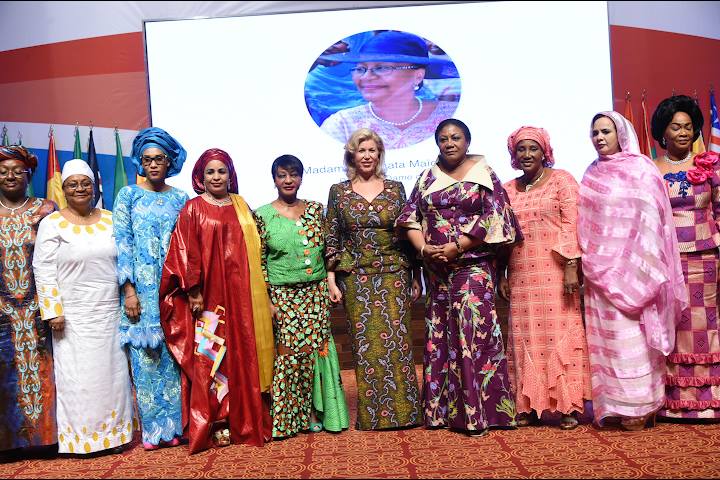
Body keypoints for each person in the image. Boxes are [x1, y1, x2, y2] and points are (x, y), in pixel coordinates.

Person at [395, 118, 522, 436]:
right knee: (442, 337)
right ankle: (442, 413)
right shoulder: (427, 177)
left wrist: (458, 246)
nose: (449, 143)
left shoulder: (485, 174)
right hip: (437, 270)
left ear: (467, 141)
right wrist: (424, 249)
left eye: (456, 137)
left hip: (473, 265)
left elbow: (494, 217)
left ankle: (480, 413)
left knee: (472, 335)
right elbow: (411, 216)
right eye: (443, 139)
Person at [577, 111, 687, 431]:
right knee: (609, 344)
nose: (599, 138)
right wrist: (598, 260)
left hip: (637, 270)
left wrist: (635, 264)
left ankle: (640, 406)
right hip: (599, 273)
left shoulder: (642, 170)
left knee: (634, 340)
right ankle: (614, 404)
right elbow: (584, 223)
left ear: (621, 134)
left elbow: (653, 221)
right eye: (594, 132)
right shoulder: (591, 174)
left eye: (606, 131)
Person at [159, 148, 274, 454]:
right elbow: (185, 251)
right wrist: (193, 291)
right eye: (210, 172)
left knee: (242, 354)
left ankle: (244, 420)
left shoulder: (241, 205)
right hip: (210, 300)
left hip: (243, 297)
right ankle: (217, 422)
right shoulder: (193, 208)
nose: (216, 177)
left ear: (230, 174)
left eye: (221, 171)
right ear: (201, 176)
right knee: (211, 357)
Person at [33, 159, 134, 454]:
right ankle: (81, 441)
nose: (80, 188)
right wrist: (52, 310)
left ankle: (115, 437)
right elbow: (43, 268)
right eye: (73, 184)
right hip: (71, 317)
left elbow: (125, 261)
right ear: (63, 189)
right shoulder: (52, 223)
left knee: (112, 377)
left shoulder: (111, 219)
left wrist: (128, 294)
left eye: (85, 183)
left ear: (95, 186)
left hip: (108, 312)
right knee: (78, 378)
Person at [325, 128, 422, 430]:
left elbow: (409, 232)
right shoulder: (338, 191)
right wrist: (330, 278)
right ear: (351, 155)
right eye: (360, 150)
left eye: (372, 150)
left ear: (379, 154)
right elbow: (332, 236)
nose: (366, 155)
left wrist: (416, 275)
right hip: (356, 277)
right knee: (366, 347)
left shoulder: (396, 188)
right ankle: (373, 416)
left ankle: (406, 414)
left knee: (398, 344)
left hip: (394, 272)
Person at [497, 126, 592, 430]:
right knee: (525, 338)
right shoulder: (508, 189)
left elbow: (572, 224)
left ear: (544, 152)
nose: (527, 154)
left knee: (560, 335)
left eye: (533, 148)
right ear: (514, 154)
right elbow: (503, 236)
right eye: (521, 149)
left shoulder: (562, 180)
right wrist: (503, 273)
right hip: (522, 274)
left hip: (555, 273)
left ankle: (568, 406)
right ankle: (528, 406)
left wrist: (570, 266)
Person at [254, 154, 350, 439]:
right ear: (274, 179)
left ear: (301, 177)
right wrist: (267, 301)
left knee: (317, 351)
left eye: (293, 174)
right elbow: (259, 263)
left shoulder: (315, 210)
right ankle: (289, 419)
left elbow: (326, 252)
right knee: (289, 355)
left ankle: (318, 412)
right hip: (282, 295)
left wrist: (331, 282)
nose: (288, 180)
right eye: (282, 175)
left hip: (315, 292)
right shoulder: (261, 215)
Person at [113, 127, 188, 450]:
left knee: (172, 361)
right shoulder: (128, 196)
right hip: (139, 291)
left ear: (169, 161)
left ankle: (173, 429)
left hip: (172, 290)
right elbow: (122, 242)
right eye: (148, 159)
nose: (154, 164)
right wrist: (128, 290)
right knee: (145, 363)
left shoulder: (180, 198)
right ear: (139, 162)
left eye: (159, 159)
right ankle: (152, 432)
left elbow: (186, 247)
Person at [650, 95, 720, 420]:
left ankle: (707, 399)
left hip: (705, 257)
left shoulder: (711, 165)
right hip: (666, 259)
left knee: (704, 325)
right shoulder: (650, 169)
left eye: (688, 127)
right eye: (675, 126)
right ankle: (673, 400)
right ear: (662, 131)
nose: (682, 132)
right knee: (673, 325)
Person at [0, 146, 57, 453]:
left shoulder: (45, 209)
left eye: (17, 170)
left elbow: (58, 258)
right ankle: (7, 445)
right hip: (2, 312)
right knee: (4, 374)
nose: (10, 176)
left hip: (38, 308)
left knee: (43, 373)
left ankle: (45, 441)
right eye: (3, 170)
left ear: (29, 175)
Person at [319, 30, 459, 149]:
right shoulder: (341, 125)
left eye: (381, 68)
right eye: (361, 69)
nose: (367, 76)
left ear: (418, 76)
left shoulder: (449, 116)